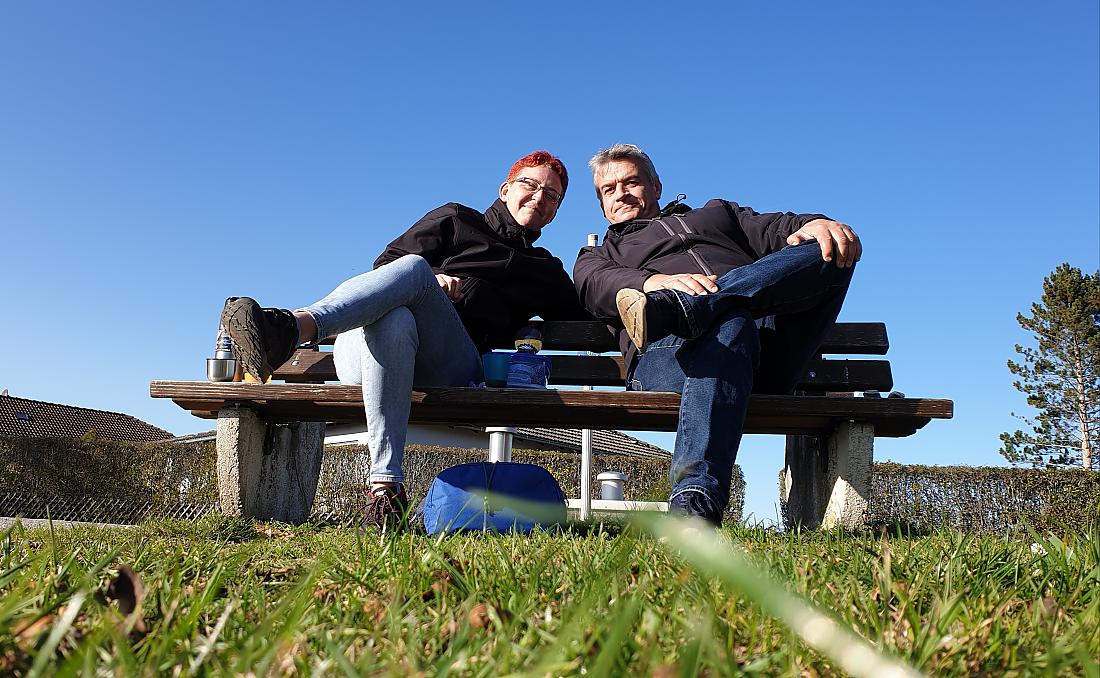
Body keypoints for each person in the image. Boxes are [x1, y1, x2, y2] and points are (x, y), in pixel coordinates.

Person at [221, 150, 588, 530]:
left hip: (448, 365)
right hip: (365, 351)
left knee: (407, 287)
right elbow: (386, 266)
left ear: (556, 210)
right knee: (401, 297)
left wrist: (607, 267)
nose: (540, 197)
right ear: (506, 188)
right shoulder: (456, 219)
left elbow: (591, 321)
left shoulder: (544, 269)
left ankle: (288, 331)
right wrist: (433, 276)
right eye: (531, 184)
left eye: (552, 195)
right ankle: (387, 492)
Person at [573, 144, 861, 527]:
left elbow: (779, 228)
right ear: (601, 203)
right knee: (731, 323)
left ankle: (694, 309)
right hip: (672, 358)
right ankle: (694, 508)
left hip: (769, 351)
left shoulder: (718, 214)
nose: (621, 193)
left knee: (831, 250)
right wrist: (654, 281)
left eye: (631, 181)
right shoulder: (599, 255)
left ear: (656, 186)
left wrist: (815, 223)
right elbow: (595, 285)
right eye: (609, 189)